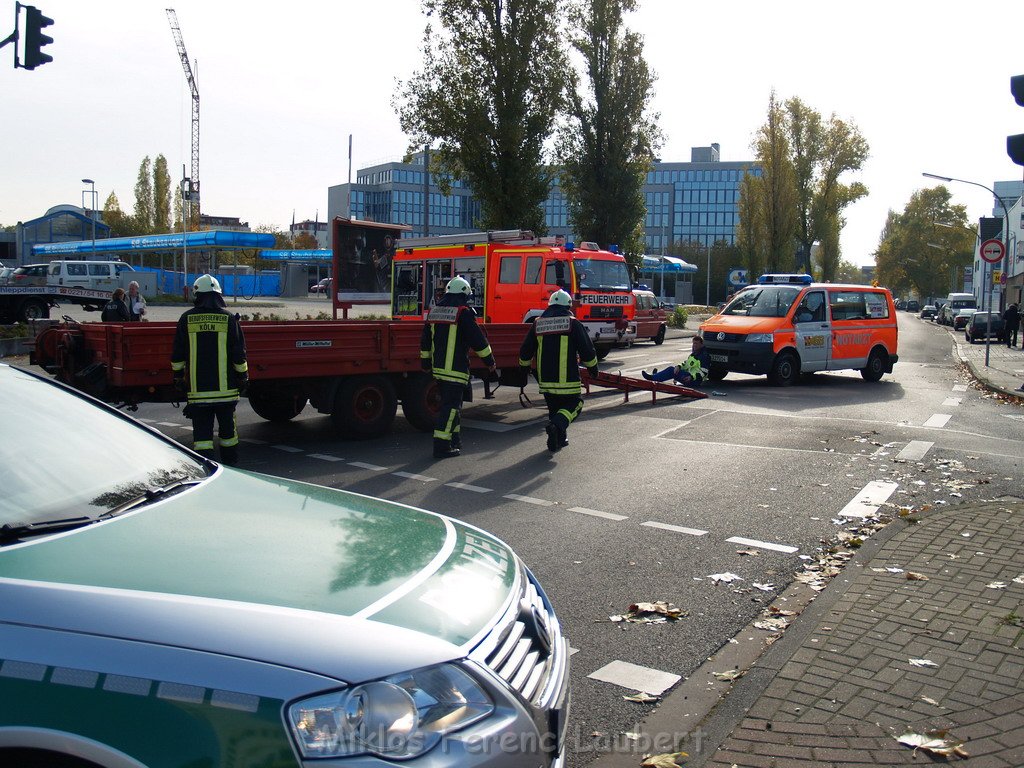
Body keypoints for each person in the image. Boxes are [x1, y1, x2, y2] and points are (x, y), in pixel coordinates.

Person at [170, 274, 248, 466]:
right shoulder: (229, 319)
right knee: (229, 435)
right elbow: (239, 353)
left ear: (197, 294)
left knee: (202, 438)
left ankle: (209, 471)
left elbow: (178, 354)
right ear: (218, 295)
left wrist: (178, 377)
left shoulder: (186, 319)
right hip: (226, 393)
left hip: (199, 394)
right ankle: (231, 467)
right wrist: (243, 377)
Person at [420, 276, 496, 459]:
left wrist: (425, 363)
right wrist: (490, 361)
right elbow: (478, 340)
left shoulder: (435, 311)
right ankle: (441, 445)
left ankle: (454, 439)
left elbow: (425, 341)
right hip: (455, 370)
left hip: (439, 370)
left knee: (454, 406)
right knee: (451, 408)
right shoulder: (463, 312)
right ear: (464, 294)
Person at [518, 289, 599, 454]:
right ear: (568, 306)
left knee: (554, 409)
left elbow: (525, 350)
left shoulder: (538, 323)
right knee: (576, 405)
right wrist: (593, 368)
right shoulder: (573, 323)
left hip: (545, 380)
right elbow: (587, 350)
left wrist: (523, 369)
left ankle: (558, 440)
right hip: (567, 379)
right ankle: (556, 426)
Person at [642, 336, 710, 385]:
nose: (694, 345)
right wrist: (678, 367)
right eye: (693, 343)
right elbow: (685, 364)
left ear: (701, 344)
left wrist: (691, 377)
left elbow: (704, 372)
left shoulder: (704, 356)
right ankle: (656, 376)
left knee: (671, 370)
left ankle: (652, 377)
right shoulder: (694, 354)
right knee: (674, 369)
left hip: (694, 381)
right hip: (688, 377)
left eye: (696, 343)